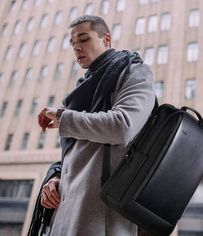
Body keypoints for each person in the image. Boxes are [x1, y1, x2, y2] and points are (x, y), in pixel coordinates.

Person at [33, 15, 156, 236]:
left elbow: (122, 126)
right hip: (67, 212)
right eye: (73, 43)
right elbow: (78, 152)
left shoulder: (134, 71)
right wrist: (57, 176)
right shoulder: (84, 89)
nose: (77, 47)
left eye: (84, 39)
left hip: (101, 215)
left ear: (106, 39)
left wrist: (62, 116)